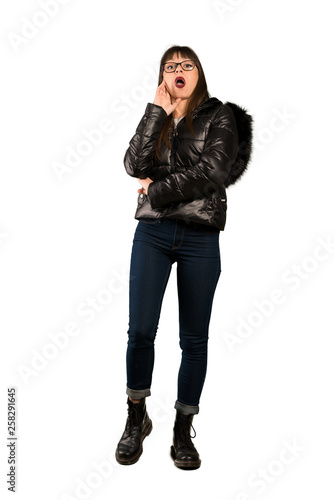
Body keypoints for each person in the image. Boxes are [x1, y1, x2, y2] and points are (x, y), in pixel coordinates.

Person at [115, 45, 253, 470]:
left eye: (185, 64)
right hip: (153, 234)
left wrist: (154, 190)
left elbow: (212, 172)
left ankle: (181, 428)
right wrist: (155, 111)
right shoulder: (158, 116)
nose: (177, 70)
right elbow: (131, 163)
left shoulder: (220, 116)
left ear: (199, 73)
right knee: (140, 331)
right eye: (169, 66)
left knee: (193, 339)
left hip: (199, 237)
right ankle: (137, 416)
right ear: (162, 77)